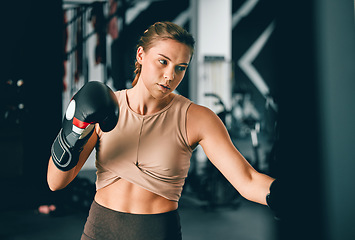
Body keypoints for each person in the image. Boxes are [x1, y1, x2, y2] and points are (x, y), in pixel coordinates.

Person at [47, 21, 278, 240]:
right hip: (99, 231)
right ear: (141, 55)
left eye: (180, 68)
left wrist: (290, 196)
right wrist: (73, 131)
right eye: (163, 61)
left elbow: (247, 180)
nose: (170, 76)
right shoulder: (105, 108)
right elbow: (55, 182)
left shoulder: (197, 119)